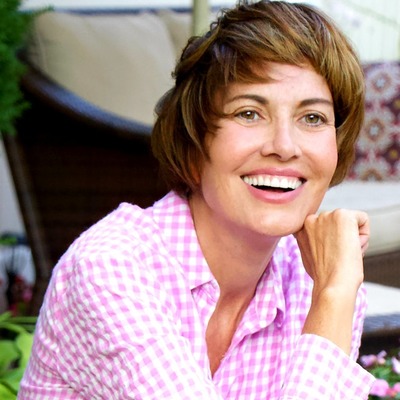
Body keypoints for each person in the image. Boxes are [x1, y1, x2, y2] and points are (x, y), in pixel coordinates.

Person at [19, 1, 375, 399]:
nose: (284, 146)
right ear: (193, 145)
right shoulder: (112, 269)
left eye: (312, 118)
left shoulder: (319, 277)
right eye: (249, 113)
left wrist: (334, 290)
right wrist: (334, 295)